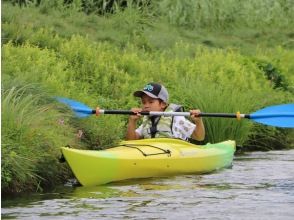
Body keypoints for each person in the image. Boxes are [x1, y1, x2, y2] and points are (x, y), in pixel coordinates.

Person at [126, 82, 205, 141]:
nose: (146, 105)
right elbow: (131, 140)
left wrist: (198, 121)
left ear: (163, 104)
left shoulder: (176, 118)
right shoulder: (146, 120)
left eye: (150, 102)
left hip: (173, 157)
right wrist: (132, 121)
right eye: (143, 102)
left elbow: (199, 137)